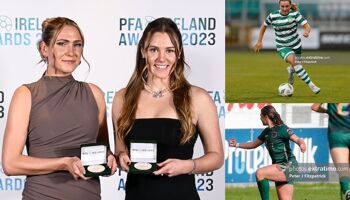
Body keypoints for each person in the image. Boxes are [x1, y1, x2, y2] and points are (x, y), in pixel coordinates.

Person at [1, 17, 116, 200]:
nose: (71, 52)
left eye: (77, 45)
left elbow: (103, 150)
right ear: (44, 49)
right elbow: (10, 163)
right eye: (62, 44)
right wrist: (63, 163)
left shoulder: (95, 94)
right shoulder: (26, 94)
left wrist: (109, 159)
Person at [112, 17, 224, 200]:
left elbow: (217, 156)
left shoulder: (197, 98)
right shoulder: (122, 99)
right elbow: (120, 151)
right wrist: (121, 156)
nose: (161, 58)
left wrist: (187, 166)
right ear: (143, 51)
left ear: (178, 53)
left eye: (169, 50)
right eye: (154, 50)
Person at [229, 105, 306, 200]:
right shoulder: (266, 132)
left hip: (288, 166)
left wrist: (302, 145)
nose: (260, 118)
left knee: (260, 173)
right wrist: (237, 144)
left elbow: (298, 139)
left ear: (265, 117)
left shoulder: (282, 129)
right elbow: (253, 144)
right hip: (279, 168)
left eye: (261, 116)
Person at [254, 0, 320, 94]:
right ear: (279, 6)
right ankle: (312, 85)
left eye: (287, 6)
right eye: (282, 6)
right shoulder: (273, 15)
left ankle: (291, 70)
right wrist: (259, 41)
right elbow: (263, 26)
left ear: (290, 6)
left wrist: (306, 31)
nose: (284, 9)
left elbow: (307, 26)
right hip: (282, 46)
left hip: (296, 45)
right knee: (296, 63)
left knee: (295, 65)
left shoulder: (295, 14)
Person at [311, 103, 350, 200]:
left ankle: (347, 192)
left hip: (337, 135)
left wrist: (329, 111)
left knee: (343, 170)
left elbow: (314, 107)